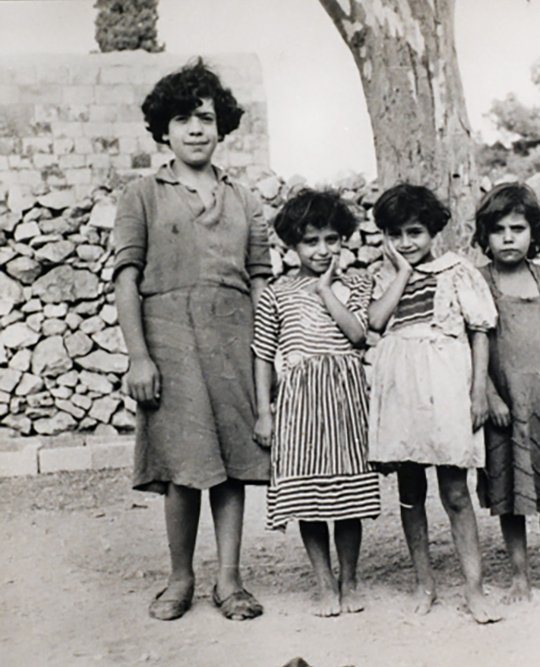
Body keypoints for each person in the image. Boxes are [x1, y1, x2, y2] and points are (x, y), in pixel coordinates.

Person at [113, 58, 270, 621]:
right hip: (170, 346)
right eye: (183, 119)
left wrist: (263, 367)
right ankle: (180, 578)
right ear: (164, 129)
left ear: (222, 126)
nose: (196, 129)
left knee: (230, 467)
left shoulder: (246, 200)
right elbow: (126, 277)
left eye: (206, 117)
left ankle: (230, 581)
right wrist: (138, 355)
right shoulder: (143, 195)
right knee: (184, 467)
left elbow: (259, 283)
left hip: (234, 345)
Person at [366, 184, 503, 623]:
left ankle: (474, 588)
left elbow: (480, 329)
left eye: (415, 232)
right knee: (410, 491)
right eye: (396, 234)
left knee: (455, 490)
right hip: (402, 387)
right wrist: (403, 272)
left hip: (445, 384)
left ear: (432, 231)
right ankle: (423, 583)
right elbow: (375, 321)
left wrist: (478, 390)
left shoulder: (456, 270)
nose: (407, 243)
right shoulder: (384, 276)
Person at [251, 188, 381, 617]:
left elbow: (359, 335)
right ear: (292, 245)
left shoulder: (357, 284)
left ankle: (351, 579)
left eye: (331, 240)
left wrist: (327, 291)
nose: (322, 250)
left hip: (344, 394)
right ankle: (324, 583)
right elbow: (263, 353)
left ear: (343, 240)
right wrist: (263, 411)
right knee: (309, 497)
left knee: (347, 498)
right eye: (311, 241)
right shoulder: (277, 293)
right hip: (299, 400)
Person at [472, 183, 540, 604]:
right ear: (485, 236)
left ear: (533, 233)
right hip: (504, 404)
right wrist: (490, 395)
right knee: (510, 494)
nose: (508, 237)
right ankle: (519, 575)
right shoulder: (479, 281)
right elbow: (470, 345)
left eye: (517, 228)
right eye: (498, 229)